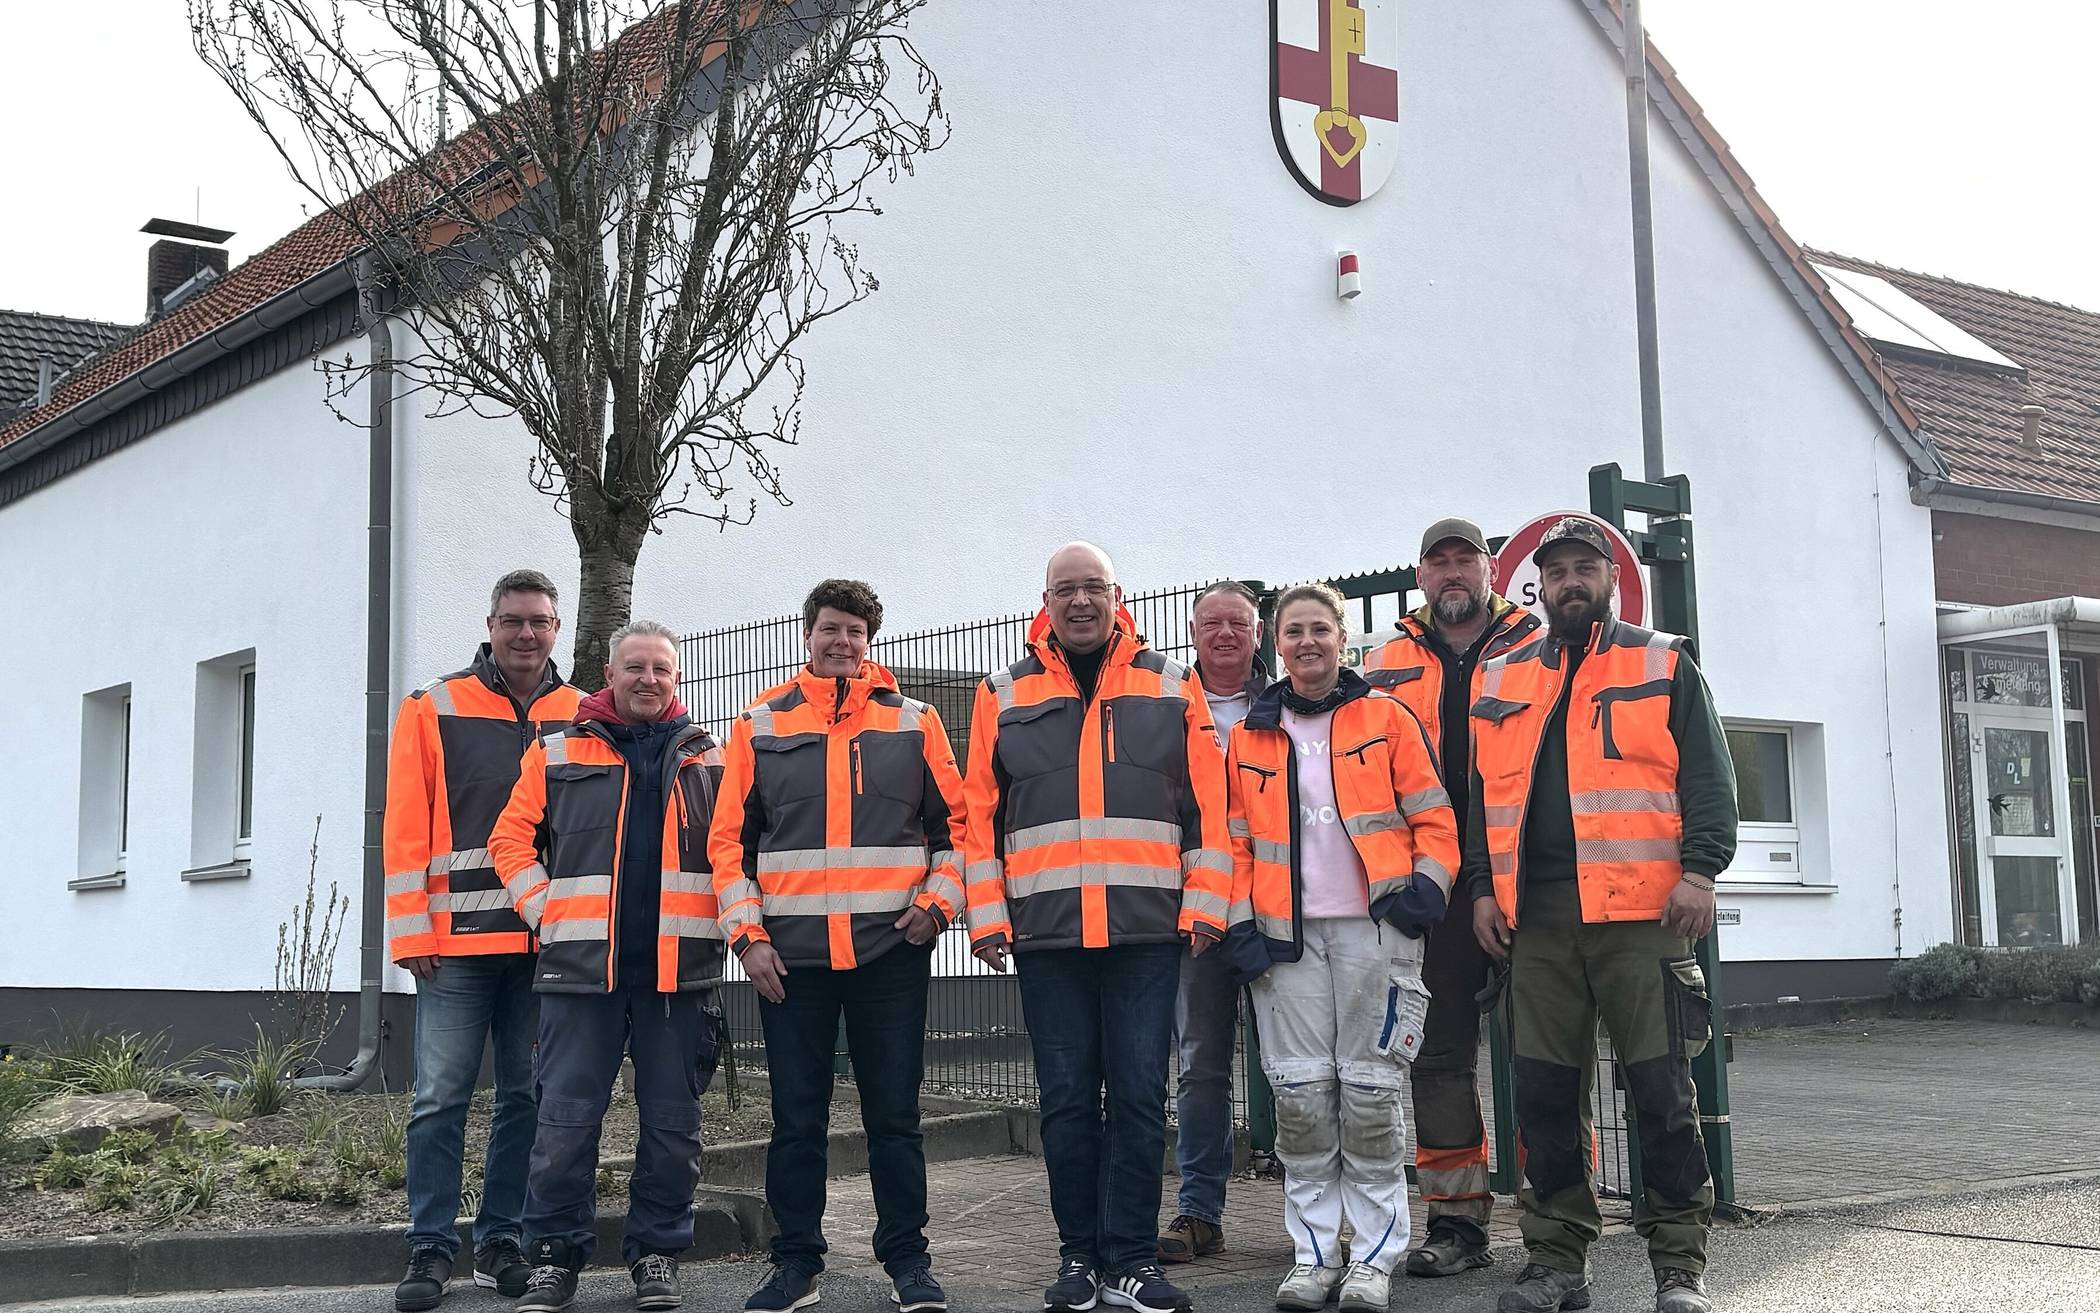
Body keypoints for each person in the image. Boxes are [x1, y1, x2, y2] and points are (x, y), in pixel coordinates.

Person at [1465, 517, 1736, 1313]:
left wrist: (1701, 870)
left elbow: (1709, 777)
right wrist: (1482, 887)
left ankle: (1678, 1268)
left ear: (1610, 578)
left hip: (1643, 914)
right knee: (1544, 1096)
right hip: (1537, 920)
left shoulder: (1661, 658)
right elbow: (1486, 795)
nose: (1570, 581)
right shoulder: (1505, 672)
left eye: (1585, 567)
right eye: (1557, 572)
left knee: (1660, 1092)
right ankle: (1556, 1264)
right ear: (1538, 586)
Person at [962, 542, 1231, 1313]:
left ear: (1119, 595)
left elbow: (1211, 812)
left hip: (1147, 932)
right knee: (1068, 1099)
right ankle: (1079, 1256)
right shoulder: (1000, 692)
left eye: (1092, 587)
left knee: (1143, 1097)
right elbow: (976, 820)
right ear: (1043, 601)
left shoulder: (1174, 684)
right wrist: (986, 916)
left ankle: (1132, 1260)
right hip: (1048, 936)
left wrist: (1206, 904)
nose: (1079, 601)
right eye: (1064, 589)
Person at [710, 579, 968, 1313]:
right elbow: (730, 845)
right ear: (808, 633)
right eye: (831, 629)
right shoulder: (758, 722)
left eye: (855, 631)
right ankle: (796, 1263)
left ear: (870, 639)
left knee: (894, 1115)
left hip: (891, 952)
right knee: (798, 1118)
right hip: (791, 961)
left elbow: (958, 832)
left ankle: (907, 1260)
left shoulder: (915, 723)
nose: (842, 642)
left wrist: (937, 906)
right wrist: (747, 938)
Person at [1219, 582, 1459, 1313]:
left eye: (1320, 628)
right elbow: (1234, 842)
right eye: (1294, 631)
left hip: (1373, 933)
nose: (1307, 642)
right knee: (1300, 1100)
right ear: (1276, 642)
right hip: (1284, 941)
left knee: (1368, 1095)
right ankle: (1315, 1254)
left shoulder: (1387, 717)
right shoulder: (1249, 735)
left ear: (1341, 637)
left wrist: (1426, 893)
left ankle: (1374, 1259)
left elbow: (1435, 817)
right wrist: (1237, 922)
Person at [489, 620, 728, 1313]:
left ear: (677, 679)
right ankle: (555, 1257)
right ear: (609, 671)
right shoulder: (558, 749)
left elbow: (736, 850)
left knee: (672, 1125)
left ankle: (657, 1252)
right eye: (635, 667)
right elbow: (510, 839)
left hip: (678, 975)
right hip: (579, 971)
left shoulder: (713, 758)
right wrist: (547, 909)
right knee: (563, 1121)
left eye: (662, 669)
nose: (648, 679)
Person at [387, 570, 582, 1312]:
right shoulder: (433, 705)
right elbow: (406, 824)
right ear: (490, 625)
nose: (526, 633)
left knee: (526, 1098)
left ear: (557, 628)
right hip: (456, 944)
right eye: (512, 620)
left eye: (538, 621)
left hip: (546, 945)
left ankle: (502, 1241)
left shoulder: (581, 713)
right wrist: (410, 929)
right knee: (439, 1098)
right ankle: (429, 1247)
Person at [1360, 518, 1539, 1277]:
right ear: (1421, 575)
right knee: (1436, 1057)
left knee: (1544, 1056)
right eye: (1439, 561)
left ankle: (1556, 1221)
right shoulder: (1381, 660)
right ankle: (1457, 1225)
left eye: (1466, 557)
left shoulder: (1538, 642)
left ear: (1491, 566)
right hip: (1429, 885)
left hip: (1525, 877)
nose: (1453, 571)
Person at [1158, 581, 1268, 1266]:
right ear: (1192, 633)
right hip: (1196, 909)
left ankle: (1319, 1218)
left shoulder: (1291, 700)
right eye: (1212, 623)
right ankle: (1200, 1210)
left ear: (1259, 632)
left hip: (1278, 907)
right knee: (1200, 1065)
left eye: (1239, 622)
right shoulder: (1167, 704)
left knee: (1300, 1068)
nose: (1224, 632)